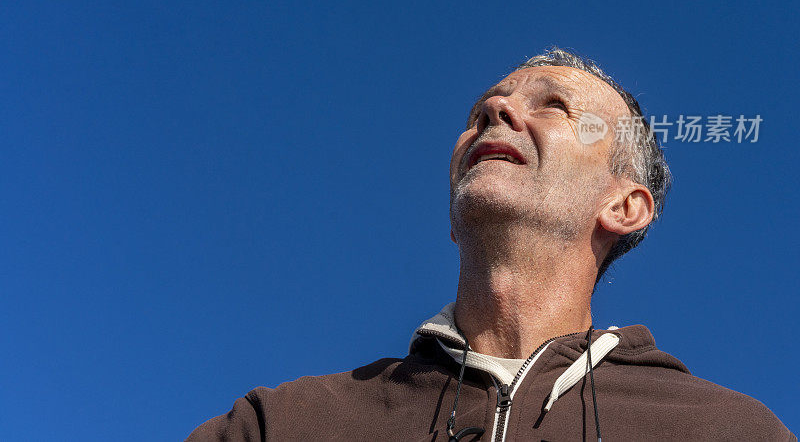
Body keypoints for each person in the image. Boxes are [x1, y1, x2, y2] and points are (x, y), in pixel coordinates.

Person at [187, 47, 794, 441]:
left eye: (553, 105)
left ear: (624, 206)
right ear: (455, 217)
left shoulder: (730, 430)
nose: (497, 109)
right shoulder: (282, 425)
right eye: (482, 109)